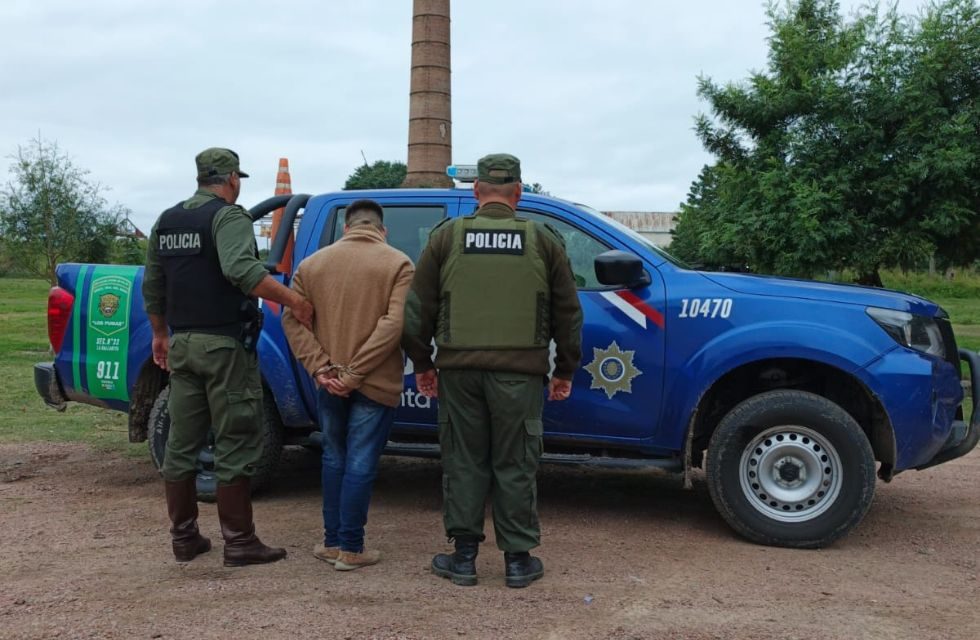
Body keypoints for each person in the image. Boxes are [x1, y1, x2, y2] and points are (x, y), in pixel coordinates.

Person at [402, 153, 583, 588]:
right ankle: (518, 561)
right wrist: (565, 371)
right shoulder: (543, 240)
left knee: (464, 461)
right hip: (520, 376)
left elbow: (416, 310)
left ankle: (463, 558)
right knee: (515, 461)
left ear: (477, 191)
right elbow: (568, 314)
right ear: (518, 193)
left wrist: (424, 364)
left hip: (459, 373)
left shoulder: (445, 239)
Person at [143, 147, 314, 567]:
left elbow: (153, 284)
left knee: (182, 443)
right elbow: (242, 270)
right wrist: (296, 302)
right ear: (232, 178)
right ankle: (240, 542)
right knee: (236, 438)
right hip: (223, 346)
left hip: (183, 345)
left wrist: (160, 334)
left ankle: (184, 539)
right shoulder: (229, 217)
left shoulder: (167, 220)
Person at [282, 199, 414, 571]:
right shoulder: (398, 263)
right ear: (381, 229)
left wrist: (322, 368)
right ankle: (352, 549)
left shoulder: (311, 265)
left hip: (327, 382)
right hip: (374, 383)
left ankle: (331, 542)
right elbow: (393, 325)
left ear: (346, 228)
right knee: (360, 461)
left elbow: (292, 321)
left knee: (333, 456)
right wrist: (355, 373)